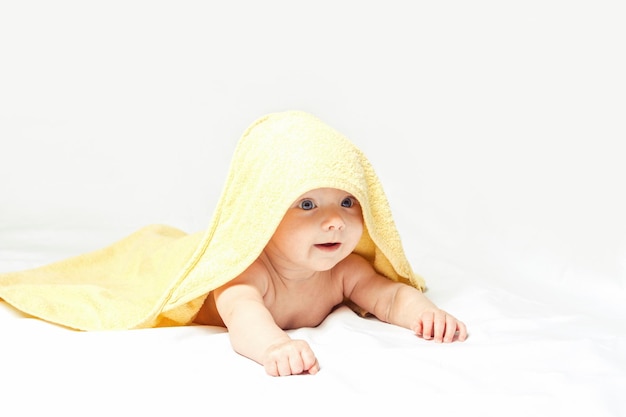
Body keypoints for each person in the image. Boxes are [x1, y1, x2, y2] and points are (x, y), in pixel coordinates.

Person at [194, 186, 468, 376]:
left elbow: (390, 297)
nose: (336, 221)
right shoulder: (247, 273)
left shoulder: (342, 270)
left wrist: (426, 313)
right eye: (307, 204)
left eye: (347, 202)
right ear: (267, 214)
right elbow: (243, 317)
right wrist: (274, 346)